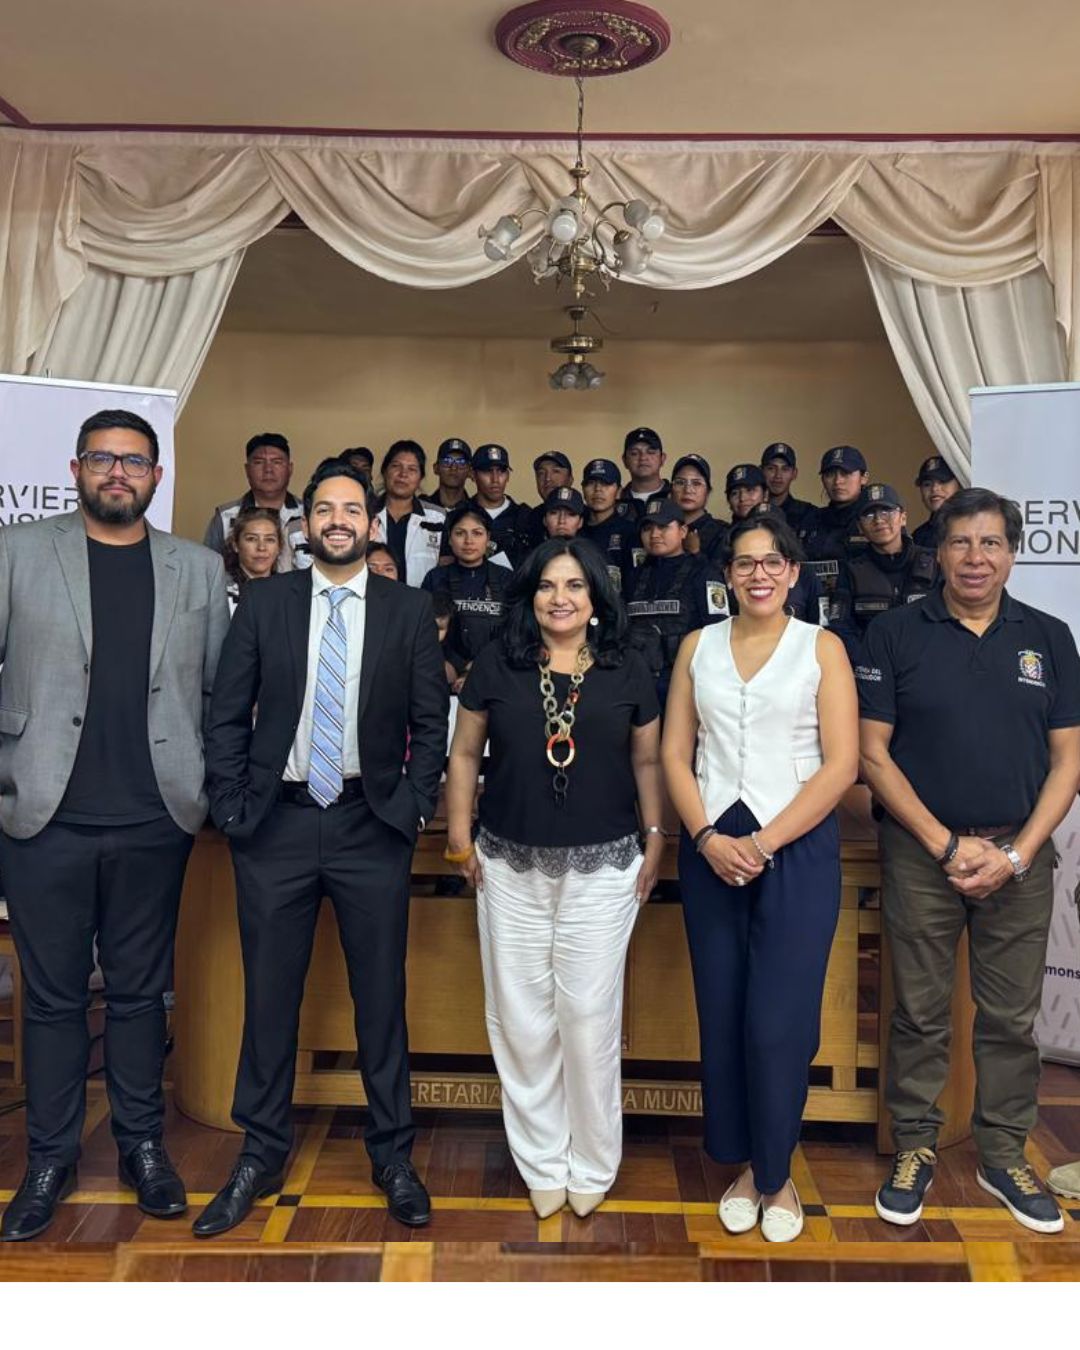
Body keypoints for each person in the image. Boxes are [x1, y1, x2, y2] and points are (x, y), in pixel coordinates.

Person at [197, 458, 448, 1237]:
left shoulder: (409, 609)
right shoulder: (266, 603)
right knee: (270, 997)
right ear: (305, 525)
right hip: (276, 824)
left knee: (381, 998)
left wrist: (412, 807)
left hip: (371, 825)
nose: (339, 520)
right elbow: (227, 712)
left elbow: (430, 722)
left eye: (352, 509)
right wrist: (234, 805)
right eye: (325, 509)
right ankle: (260, 1153)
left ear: (371, 523)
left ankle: (393, 1154)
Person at [0, 409, 230, 1243]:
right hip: (44, 817)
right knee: (54, 1000)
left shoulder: (198, 569)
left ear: (156, 477)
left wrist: (211, 790)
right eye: (103, 458)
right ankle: (50, 1160)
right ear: (76, 469)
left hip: (155, 816)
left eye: (134, 461)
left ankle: (142, 1148)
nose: (118, 473)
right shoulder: (18, 552)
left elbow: (218, 694)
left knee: (139, 996)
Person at [857, 487, 1080, 1236]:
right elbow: (873, 754)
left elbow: (1069, 760)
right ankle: (915, 1147)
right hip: (922, 854)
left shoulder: (1049, 637)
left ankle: (1003, 1155)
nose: (975, 558)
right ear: (939, 553)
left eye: (990, 544)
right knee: (919, 1013)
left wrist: (1016, 853)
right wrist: (945, 845)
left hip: (1021, 855)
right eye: (960, 543)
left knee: (1012, 1019)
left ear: (1012, 554)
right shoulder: (894, 633)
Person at [444, 538, 665, 1219]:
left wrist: (657, 837)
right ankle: (540, 1158)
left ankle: (593, 1159)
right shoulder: (498, 660)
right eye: (546, 585)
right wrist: (458, 837)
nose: (559, 597)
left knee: (588, 1017)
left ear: (596, 597)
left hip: (605, 868)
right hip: (508, 864)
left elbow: (649, 762)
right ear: (530, 595)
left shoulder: (628, 664)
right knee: (520, 1018)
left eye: (574, 585)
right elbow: (464, 752)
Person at [661, 512, 858, 1243]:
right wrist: (707, 837)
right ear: (727, 576)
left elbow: (843, 762)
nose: (759, 575)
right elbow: (676, 754)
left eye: (773, 562)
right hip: (711, 845)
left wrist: (765, 841)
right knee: (724, 1012)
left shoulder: (822, 647)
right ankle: (744, 1162)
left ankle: (775, 1174)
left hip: (795, 847)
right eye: (745, 563)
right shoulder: (697, 646)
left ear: (794, 572)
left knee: (780, 1021)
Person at [626, 498, 728, 707]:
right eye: (647, 528)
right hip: (636, 685)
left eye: (663, 527)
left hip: (686, 685)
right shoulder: (633, 577)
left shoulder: (704, 574)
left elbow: (719, 634)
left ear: (682, 531)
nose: (654, 534)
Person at [829, 484, 938, 664]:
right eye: (869, 515)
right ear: (859, 526)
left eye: (886, 512)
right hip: (873, 667)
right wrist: (869, 663)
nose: (878, 520)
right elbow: (840, 626)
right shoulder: (852, 571)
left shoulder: (935, 562)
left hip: (928, 664)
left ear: (903, 518)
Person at [422, 502, 513, 688]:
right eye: (460, 533)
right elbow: (425, 631)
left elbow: (514, 631)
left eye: (477, 533)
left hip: (496, 670)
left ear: (488, 538)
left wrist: (478, 668)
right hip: (445, 671)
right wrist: (452, 665)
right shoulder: (436, 578)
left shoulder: (506, 578)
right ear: (449, 539)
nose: (469, 541)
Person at [203, 432, 303, 571]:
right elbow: (207, 570)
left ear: (290, 469)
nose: (268, 470)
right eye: (259, 462)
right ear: (247, 470)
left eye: (277, 462)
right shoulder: (226, 516)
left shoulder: (308, 514)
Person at [798, 445, 870, 600]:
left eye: (846, 473)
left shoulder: (875, 519)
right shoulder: (812, 519)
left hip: (863, 604)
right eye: (830, 474)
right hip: (815, 603)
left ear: (864, 477)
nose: (838, 481)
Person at [375, 440, 445, 586]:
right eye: (396, 466)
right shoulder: (365, 514)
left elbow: (446, 568)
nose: (403, 474)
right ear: (384, 471)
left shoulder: (438, 518)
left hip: (422, 598)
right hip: (372, 597)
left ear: (420, 478)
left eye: (412, 469)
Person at [465, 443, 533, 569]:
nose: (495, 479)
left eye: (501, 471)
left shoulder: (526, 516)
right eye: (487, 471)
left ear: (508, 476)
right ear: (473, 475)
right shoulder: (460, 514)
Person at [581, 458, 636, 594]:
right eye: (591, 483)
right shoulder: (575, 530)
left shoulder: (630, 532)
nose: (598, 489)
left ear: (619, 491)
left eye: (605, 483)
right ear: (583, 490)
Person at [222, 506, 284, 615]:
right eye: (251, 539)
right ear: (235, 545)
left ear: (279, 547)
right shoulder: (220, 590)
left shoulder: (289, 590)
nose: (261, 547)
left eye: (270, 539)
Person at [671, 454, 728, 561]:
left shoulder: (721, 533)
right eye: (680, 482)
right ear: (671, 490)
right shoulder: (662, 529)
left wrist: (696, 553)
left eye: (696, 483)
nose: (688, 490)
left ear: (708, 492)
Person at [523, 452, 575, 548]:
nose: (547, 478)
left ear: (570, 479)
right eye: (541, 473)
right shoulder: (530, 517)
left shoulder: (586, 516)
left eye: (556, 471)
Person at [761, 443, 815, 532]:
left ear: (794, 474)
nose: (778, 476)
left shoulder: (808, 514)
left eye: (785, 469)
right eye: (771, 468)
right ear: (761, 471)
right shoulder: (750, 511)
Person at [619, 427, 671, 518]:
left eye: (651, 452)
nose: (643, 458)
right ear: (624, 461)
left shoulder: (676, 496)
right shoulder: (616, 500)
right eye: (634, 453)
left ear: (662, 459)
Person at [911, 455, 960, 548]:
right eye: (927, 484)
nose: (934, 489)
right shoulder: (919, 537)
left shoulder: (973, 525)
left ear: (959, 484)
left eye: (942, 481)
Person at [421, 438, 473, 512]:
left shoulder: (477, 511)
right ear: (436, 468)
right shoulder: (422, 508)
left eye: (461, 462)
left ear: (470, 471)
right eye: (447, 461)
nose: (453, 467)